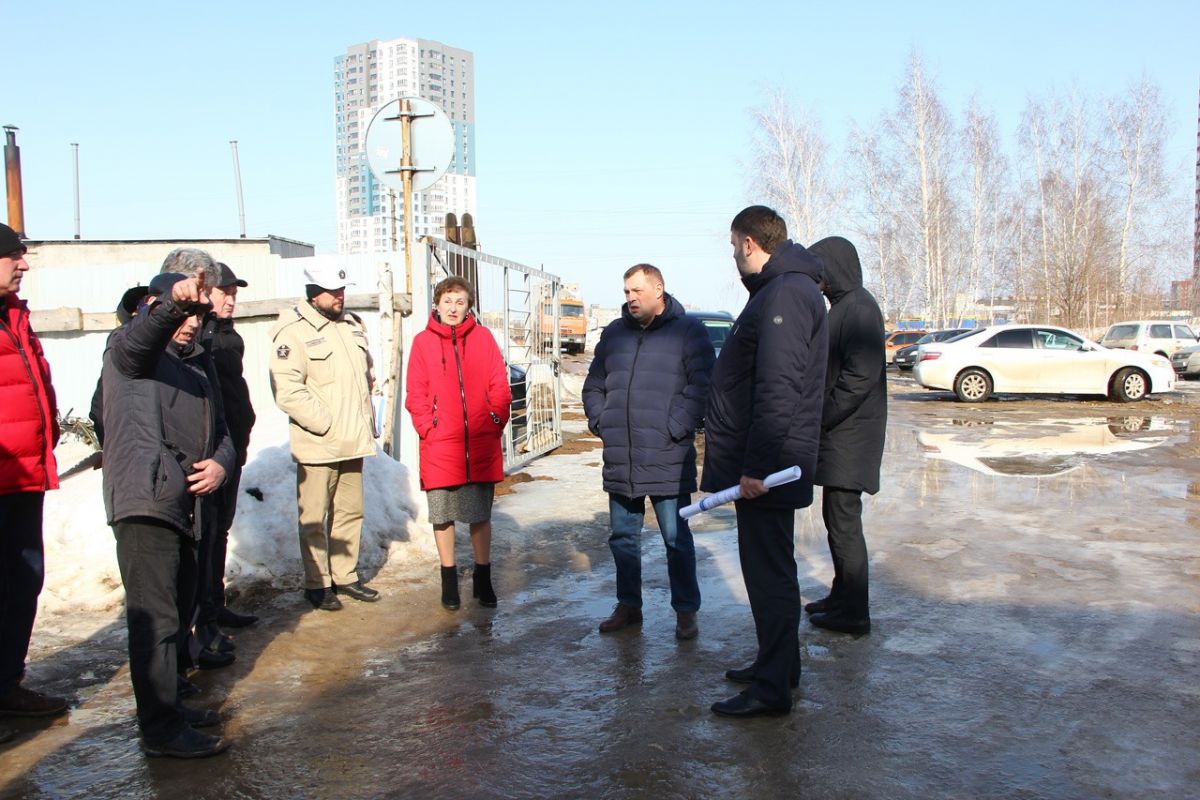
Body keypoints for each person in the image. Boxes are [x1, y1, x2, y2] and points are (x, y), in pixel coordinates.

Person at [102, 265, 233, 758]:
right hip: (144, 501)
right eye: (184, 314)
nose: (192, 323)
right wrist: (172, 303)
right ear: (152, 309)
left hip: (183, 505)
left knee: (176, 612)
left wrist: (221, 464)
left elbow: (222, 431)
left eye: (198, 315)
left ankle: (171, 703)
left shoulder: (194, 365)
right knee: (154, 621)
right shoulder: (129, 352)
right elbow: (144, 335)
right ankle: (160, 729)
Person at [703, 206, 827, 718]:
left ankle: (773, 690)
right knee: (769, 571)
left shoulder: (784, 293)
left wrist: (755, 469)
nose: (734, 257)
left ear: (751, 243)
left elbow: (779, 388)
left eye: (735, 248)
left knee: (769, 575)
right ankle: (778, 666)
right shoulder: (785, 290)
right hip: (767, 465)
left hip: (768, 470)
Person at [582, 264, 713, 640]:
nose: (631, 298)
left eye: (638, 290)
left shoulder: (688, 331)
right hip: (622, 456)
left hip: (668, 456)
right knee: (622, 538)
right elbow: (594, 385)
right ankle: (629, 605)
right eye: (626, 291)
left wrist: (676, 427)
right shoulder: (614, 334)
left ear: (659, 289)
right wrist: (600, 421)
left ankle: (686, 610)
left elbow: (703, 387)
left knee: (676, 538)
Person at [270, 264, 379, 611]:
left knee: (350, 512)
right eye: (333, 292)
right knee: (314, 517)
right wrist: (325, 422)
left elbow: (367, 375)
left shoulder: (351, 326)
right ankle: (317, 583)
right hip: (319, 442)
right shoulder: (292, 331)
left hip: (353, 440)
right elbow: (287, 390)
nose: (340, 297)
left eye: (343, 290)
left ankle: (345, 575)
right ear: (313, 292)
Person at [0, 224, 70, 741]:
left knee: (21, 582)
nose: (23, 265)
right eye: (13, 257)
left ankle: (6, 683)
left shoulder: (15, 318)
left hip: (22, 476)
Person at [405, 276, 511, 610]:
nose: (453, 308)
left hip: (480, 441)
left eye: (460, 301)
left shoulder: (483, 338)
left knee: (479, 514)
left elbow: (499, 383)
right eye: (447, 301)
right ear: (437, 304)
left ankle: (483, 577)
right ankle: (449, 580)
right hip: (441, 444)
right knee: (443, 515)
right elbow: (416, 392)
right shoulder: (423, 342)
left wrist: (495, 418)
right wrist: (428, 426)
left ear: (469, 306)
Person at [806, 236, 886, 635]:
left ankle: (854, 614)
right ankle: (842, 597)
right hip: (841, 439)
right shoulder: (847, 306)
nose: (818, 278)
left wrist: (821, 415)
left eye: (821, 268)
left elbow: (859, 377)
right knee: (836, 520)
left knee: (844, 525)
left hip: (850, 439)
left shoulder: (859, 308)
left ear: (835, 265)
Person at [195, 262, 258, 642]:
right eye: (226, 292)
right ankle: (202, 613)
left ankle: (215, 604)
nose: (232, 300)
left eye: (235, 293)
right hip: (211, 451)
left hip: (234, 444)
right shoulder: (198, 337)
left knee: (220, 530)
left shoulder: (228, 335)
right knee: (206, 532)